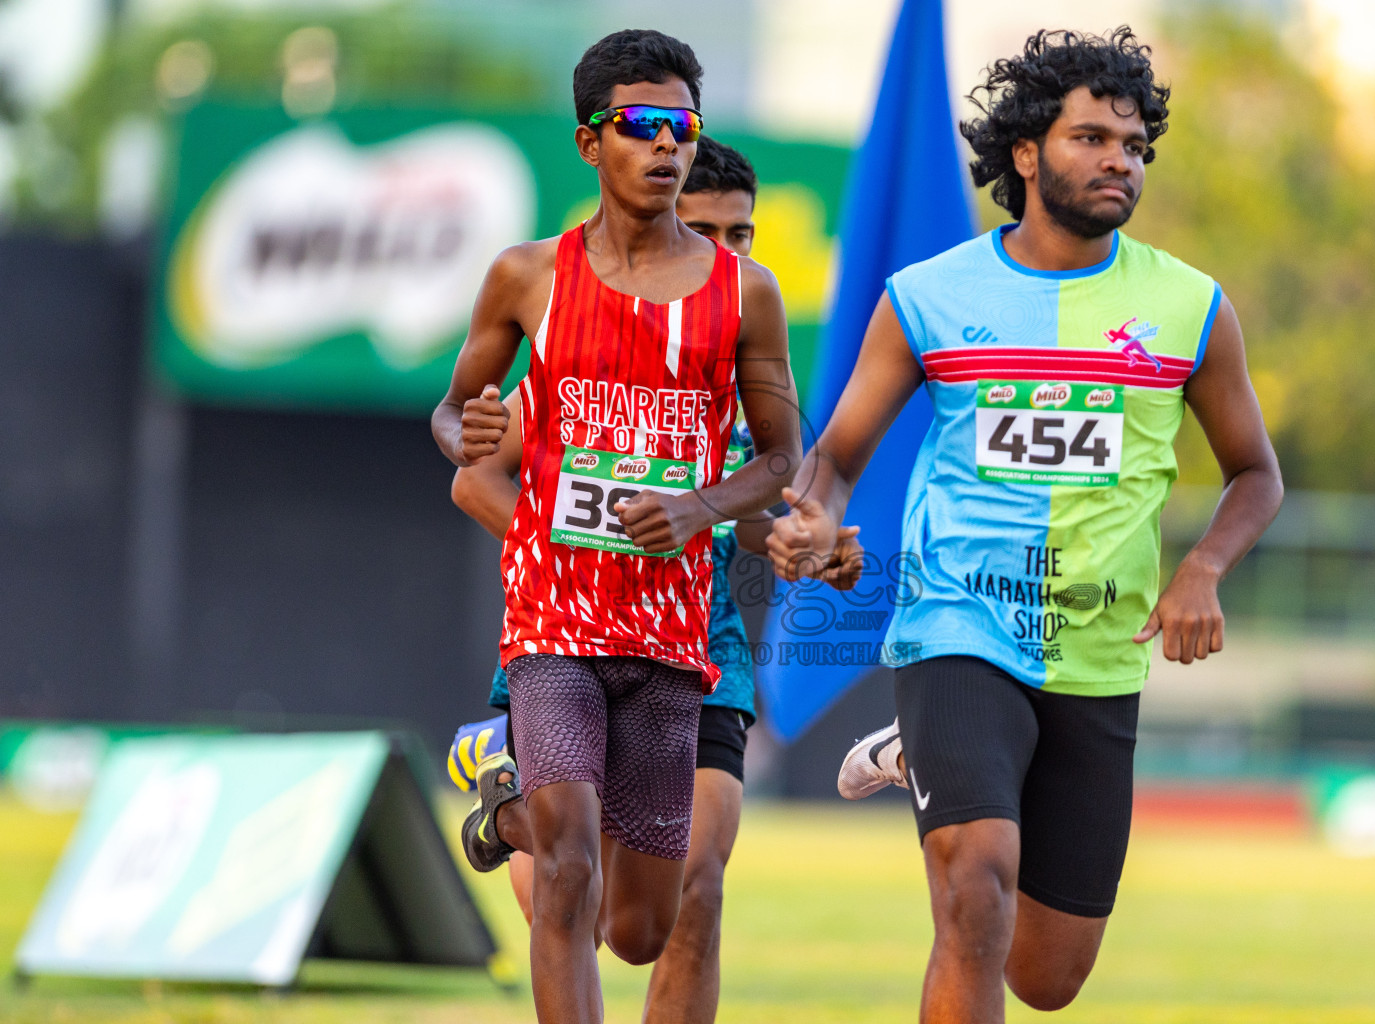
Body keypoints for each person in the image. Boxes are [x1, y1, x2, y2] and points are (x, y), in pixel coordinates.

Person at [768, 27, 1283, 1022]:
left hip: (1097, 650)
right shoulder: (928, 297)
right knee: (976, 888)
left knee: (1047, 977)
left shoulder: (1190, 307)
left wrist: (1204, 568)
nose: (1118, 162)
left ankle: (928, 751)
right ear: (1024, 152)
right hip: (955, 624)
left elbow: (1255, 473)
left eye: (1133, 146)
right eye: (1091, 138)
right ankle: (947, 738)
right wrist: (813, 521)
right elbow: (835, 458)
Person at [429, 30, 803, 1024]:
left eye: (682, 126)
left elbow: (777, 457)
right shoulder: (527, 277)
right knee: (567, 869)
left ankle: (500, 805)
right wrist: (461, 430)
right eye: (641, 126)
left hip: (673, 635)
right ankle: (534, 812)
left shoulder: (745, 295)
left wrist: (699, 508)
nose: (666, 145)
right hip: (554, 624)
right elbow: (454, 410)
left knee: (641, 923)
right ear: (591, 143)